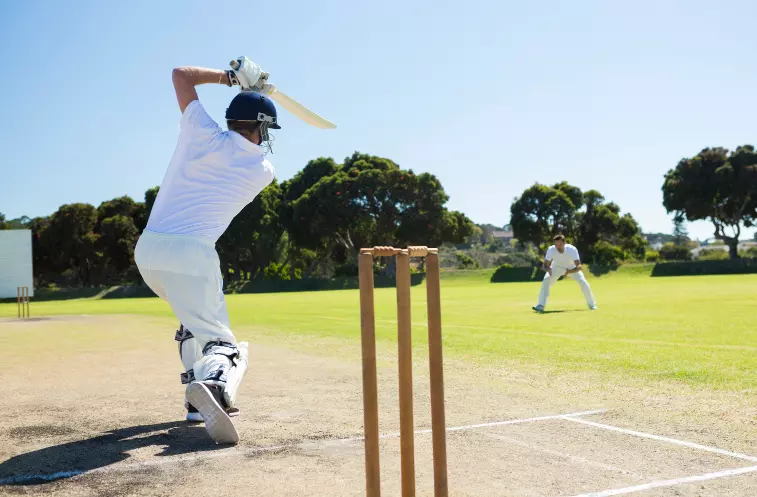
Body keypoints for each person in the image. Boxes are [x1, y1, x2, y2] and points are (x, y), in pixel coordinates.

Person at [134, 57, 277, 444]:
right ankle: (213, 386)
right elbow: (246, 147)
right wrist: (255, 94)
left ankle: (196, 406)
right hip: (192, 255)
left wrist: (230, 79)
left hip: (147, 251)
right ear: (261, 128)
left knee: (192, 325)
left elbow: (180, 74)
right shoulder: (263, 172)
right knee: (226, 348)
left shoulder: (200, 132)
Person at [532, 235, 597, 313]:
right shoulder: (551, 249)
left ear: (564, 243)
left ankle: (592, 305)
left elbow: (579, 266)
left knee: (583, 282)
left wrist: (570, 272)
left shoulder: (572, 249)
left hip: (571, 267)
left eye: (560, 244)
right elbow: (545, 265)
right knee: (546, 281)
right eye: (556, 245)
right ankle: (540, 306)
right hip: (556, 267)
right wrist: (548, 269)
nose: (558, 246)